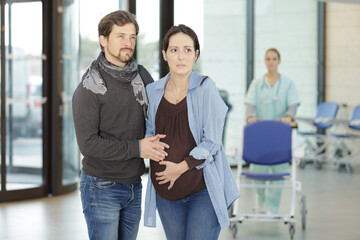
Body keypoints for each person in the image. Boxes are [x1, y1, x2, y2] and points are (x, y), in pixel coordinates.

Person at [72, 10, 169, 240]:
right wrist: (138, 148)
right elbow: (88, 145)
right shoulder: (89, 87)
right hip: (100, 187)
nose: (128, 43)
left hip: (134, 184)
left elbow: (159, 116)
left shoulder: (142, 75)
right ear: (103, 40)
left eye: (132, 37)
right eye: (121, 36)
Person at [143, 24, 239, 240]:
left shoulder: (206, 88)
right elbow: (149, 133)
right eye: (174, 50)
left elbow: (212, 141)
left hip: (202, 189)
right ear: (165, 54)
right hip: (166, 192)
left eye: (187, 50)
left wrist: (181, 167)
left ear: (196, 54)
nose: (181, 56)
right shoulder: (152, 91)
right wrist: (151, 147)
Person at [244, 48, 300, 214]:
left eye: (274, 59)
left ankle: (272, 207)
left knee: (279, 171)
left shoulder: (288, 83)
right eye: (268, 59)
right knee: (257, 170)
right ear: (265, 61)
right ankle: (261, 201)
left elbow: (293, 105)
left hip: (279, 135)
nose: (271, 62)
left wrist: (289, 117)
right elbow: (250, 104)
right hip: (261, 134)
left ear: (279, 61)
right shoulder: (257, 83)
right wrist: (250, 118)